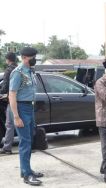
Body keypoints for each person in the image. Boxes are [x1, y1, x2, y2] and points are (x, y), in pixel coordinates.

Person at [8, 47, 43, 186]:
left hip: (30, 107)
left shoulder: (30, 71)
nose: (34, 59)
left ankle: (26, 170)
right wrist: (16, 116)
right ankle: (27, 175)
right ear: (24, 57)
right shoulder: (18, 73)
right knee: (25, 143)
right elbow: (12, 95)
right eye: (32, 57)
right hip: (21, 108)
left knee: (29, 140)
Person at [0, 52, 18, 154]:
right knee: (24, 123)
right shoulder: (20, 69)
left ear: (8, 59)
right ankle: (30, 143)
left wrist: (1, 93)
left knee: (10, 124)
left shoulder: (9, 70)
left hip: (12, 100)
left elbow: (5, 86)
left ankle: (7, 148)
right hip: (22, 100)